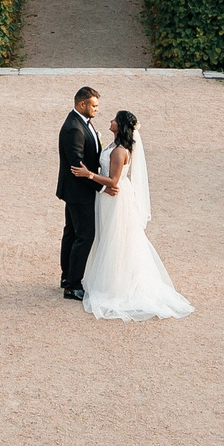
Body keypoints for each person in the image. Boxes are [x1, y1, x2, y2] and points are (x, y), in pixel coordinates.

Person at [77, 109, 193, 321]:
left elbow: (113, 181)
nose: (110, 121)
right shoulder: (113, 146)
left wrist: (88, 175)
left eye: (114, 119)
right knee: (107, 237)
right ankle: (108, 279)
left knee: (117, 239)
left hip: (116, 199)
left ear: (120, 126)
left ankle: (116, 285)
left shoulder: (120, 151)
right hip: (107, 199)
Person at [55, 86, 105, 299]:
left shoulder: (82, 122)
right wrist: (102, 185)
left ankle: (67, 277)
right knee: (84, 235)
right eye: (93, 106)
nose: (96, 110)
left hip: (76, 191)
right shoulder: (74, 128)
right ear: (81, 104)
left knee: (72, 232)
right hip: (79, 192)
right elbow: (78, 167)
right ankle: (73, 285)